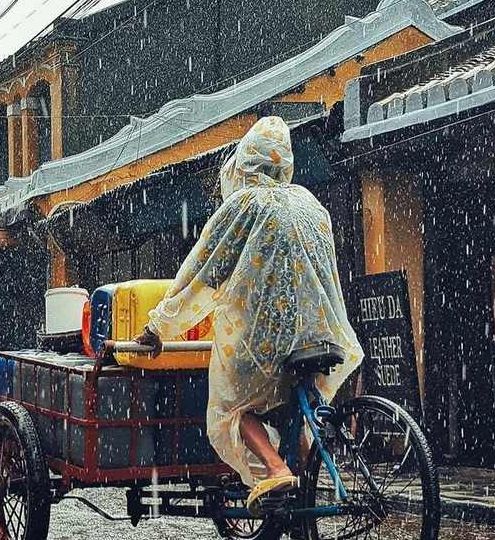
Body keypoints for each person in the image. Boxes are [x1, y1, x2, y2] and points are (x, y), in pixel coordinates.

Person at [135, 116, 363, 514]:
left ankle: (275, 471)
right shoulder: (311, 204)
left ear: (244, 163)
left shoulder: (245, 204)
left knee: (232, 408)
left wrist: (159, 325)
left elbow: (202, 272)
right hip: (321, 333)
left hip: (266, 339)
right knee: (297, 403)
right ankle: (305, 482)